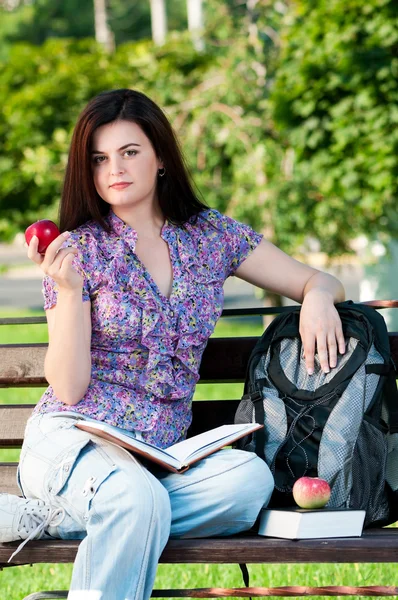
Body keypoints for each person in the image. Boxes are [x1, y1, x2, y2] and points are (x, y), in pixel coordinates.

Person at [0, 89, 345, 599]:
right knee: (133, 497)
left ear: (160, 156)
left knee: (247, 481)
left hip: (158, 459)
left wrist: (318, 298)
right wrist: (70, 293)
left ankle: (57, 518)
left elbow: (320, 280)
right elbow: (69, 389)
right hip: (74, 440)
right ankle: (107, 508)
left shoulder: (211, 236)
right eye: (99, 158)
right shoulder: (75, 251)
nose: (114, 168)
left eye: (130, 152)